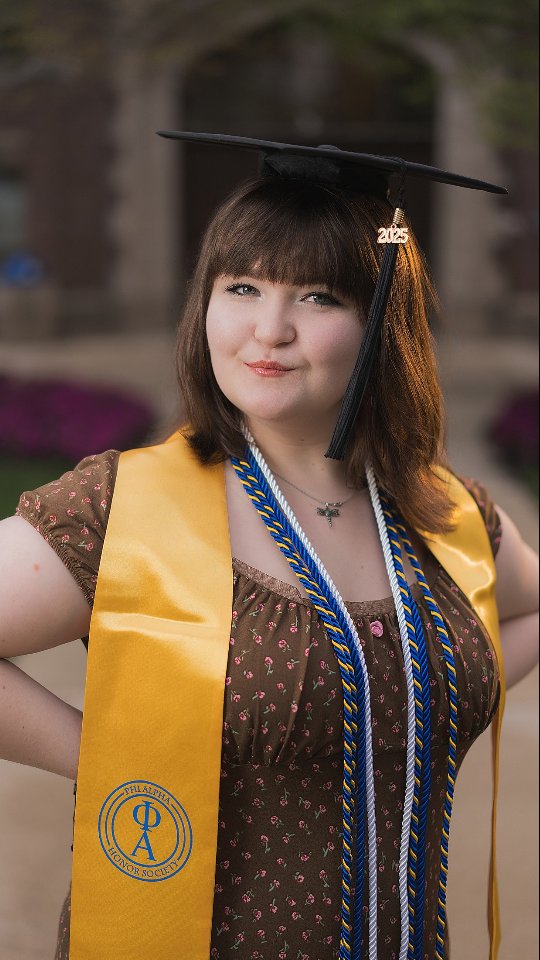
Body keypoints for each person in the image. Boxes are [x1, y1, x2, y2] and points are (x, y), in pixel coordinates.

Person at [0, 134, 538, 960]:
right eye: (241, 286)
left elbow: (505, 627)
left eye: (319, 297)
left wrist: (449, 677)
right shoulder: (125, 507)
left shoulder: (446, 516)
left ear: (381, 320)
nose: (268, 329)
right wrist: (113, 755)